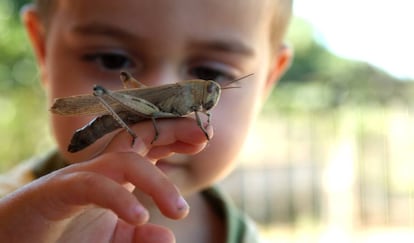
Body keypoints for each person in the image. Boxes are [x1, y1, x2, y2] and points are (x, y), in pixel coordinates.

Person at [0, 0, 293, 242]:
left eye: (212, 72)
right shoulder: (8, 205)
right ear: (41, 51)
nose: (163, 81)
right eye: (112, 60)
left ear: (269, 81)